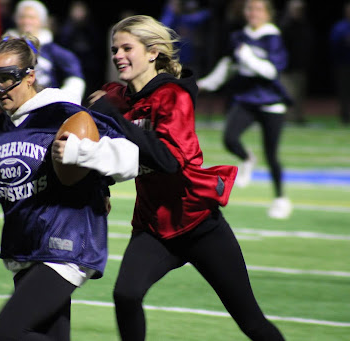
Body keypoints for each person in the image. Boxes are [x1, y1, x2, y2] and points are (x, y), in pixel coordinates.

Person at [88, 14, 285, 341]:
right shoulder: (119, 99)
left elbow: (168, 161)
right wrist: (100, 186)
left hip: (198, 223)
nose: (118, 55)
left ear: (152, 52)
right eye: (114, 49)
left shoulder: (172, 96)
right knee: (126, 294)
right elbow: (100, 146)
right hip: (153, 225)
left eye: (126, 48)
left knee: (251, 322)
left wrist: (115, 119)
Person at [0, 34, 138, 340]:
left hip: (67, 244)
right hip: (25, 246)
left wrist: (82, 154)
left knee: (5, 334)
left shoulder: (65, 114)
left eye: (5, 78)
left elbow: (128, 158)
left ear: (30, 76)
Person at [197, 0, 293, 219]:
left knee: (271, 155)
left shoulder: (272, 38)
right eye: (250, 8)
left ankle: (280, 198)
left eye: (259, 9)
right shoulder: (239, 37)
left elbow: (270, 72)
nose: (253, 13)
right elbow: (227, 66)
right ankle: (247, 158)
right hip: (247, 99)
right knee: (230, 138)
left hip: (271, 102)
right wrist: (205, 84)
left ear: (268, 13)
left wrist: (247, 56)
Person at [3, 0, 86, 104]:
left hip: (45, 103)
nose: (26, 21)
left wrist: (63, 100)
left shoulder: (52, 51)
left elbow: (74, 76)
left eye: (32, 18)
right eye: (22, 17)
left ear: (41, 21)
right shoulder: (5, 49)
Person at [279, 0, 313, 125]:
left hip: (301, 67)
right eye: (296, 9)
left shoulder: (305, 26)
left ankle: (298, 118)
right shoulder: (285, 26)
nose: (298, 12)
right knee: (289, 94)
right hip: (288, 69)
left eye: (300, 9)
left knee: (299, 95)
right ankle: (288, 119)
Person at [329, 0, 350, 125]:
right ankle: (345, 117)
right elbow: (333, 43)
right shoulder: (340, 26)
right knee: (344, 92)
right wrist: (344, 40)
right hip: (343, 64)